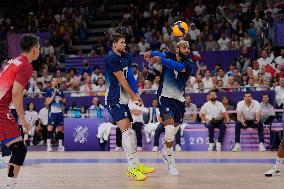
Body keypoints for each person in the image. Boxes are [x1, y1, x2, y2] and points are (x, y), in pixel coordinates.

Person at [105, 33, 155, 181]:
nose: (124, 44)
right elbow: (120, 78)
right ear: (114, 44)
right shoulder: (111, 58)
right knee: (126, 130)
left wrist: (136, 94)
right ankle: (132, 168)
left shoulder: (126, 56)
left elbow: (130, 77)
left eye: (124, 42)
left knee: (130, 130)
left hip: (124, 99)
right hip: (114, 99)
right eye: (122, 42)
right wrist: (133, 96)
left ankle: (137, 165)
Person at [144, 40, 194, 175]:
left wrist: (161, 60)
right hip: (165, 98)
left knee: (175, 128)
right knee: (170, 129)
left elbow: (178, 67)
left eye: (188, 48)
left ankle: (166, 150)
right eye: (184, 47)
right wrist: (150, 52)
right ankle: (171, 162)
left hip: (179, 101)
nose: (187, 50)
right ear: (177, 49)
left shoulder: (189, 63)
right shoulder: (168, 56)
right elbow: (160, 54)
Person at [0, 34, 39, 187]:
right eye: (39, 47)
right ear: (34, 49)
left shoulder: (13, 61)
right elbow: (16, 93)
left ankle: (10, 183)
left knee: (17, 149)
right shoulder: (25, 66)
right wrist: (23, 120)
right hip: (1, 109)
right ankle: (10, 184)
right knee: (19, 150)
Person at [45, 77, 66, 152]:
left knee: (60, 129)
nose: (55, 82)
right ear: (51, 82)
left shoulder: (60, 91)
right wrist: (54, 94)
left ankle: (60, 146)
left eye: (56, 81)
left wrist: (61, 99)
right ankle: (48, 146)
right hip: (52, 112)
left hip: (59, 112)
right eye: (54, 81)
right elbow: (47, 102)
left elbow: (64, 101)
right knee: (50, 128)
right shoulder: (48, 91)